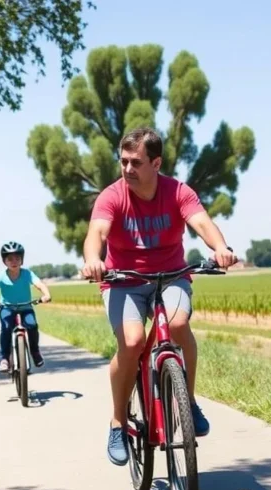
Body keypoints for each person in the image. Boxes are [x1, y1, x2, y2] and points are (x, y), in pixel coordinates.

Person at [80, 127, 238, 466]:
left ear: (156, 162)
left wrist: (221, 247)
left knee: (179, 324)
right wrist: (93, 259)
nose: (127, 169)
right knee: (133, 342)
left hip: (170, 275)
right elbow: (97, 232)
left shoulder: (177, 191)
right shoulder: (112, 196)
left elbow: (202, 223)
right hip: (123, 280)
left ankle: (188, 401)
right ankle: (118, 422)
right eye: (123, 161)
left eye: (135, 162)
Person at [0, 241, 53, 373]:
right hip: (7, 308)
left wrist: (46, 294)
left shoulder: (27, 274)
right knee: (6, 328)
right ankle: (4, 359)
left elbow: (40, 284)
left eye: (17, 258)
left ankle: (35, 352)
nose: (14, 261)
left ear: (22, 260)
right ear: (4, 261)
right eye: (10, 259)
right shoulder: (1, 275)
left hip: (26, 307)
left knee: (32, 325)